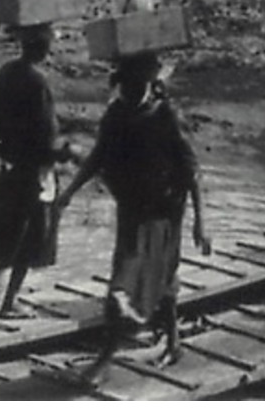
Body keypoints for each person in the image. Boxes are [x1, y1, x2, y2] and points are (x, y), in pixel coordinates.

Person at [57, 51, 211, 376]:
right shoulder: (115, 115)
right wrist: (69, 193)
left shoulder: (166, 115)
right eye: (123, 85)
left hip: (163, 211)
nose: (126, 91)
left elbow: (191, 170)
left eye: (133, 85)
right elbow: (97, 157)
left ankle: (107, 359)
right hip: (131, 209)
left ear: (147, 83)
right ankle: (171, 343)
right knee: (148, 277)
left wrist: (201, 221)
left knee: (127, 286)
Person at [0, 22, 75, 317]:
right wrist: (60, 154)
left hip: (13, 162)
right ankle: (8, 302)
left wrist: (4, 147)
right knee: (33, 235)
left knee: (14, 227)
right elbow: (43, 130)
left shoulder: (7, 71)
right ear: (43, 48)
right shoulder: (37, 82)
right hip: (35, 168)